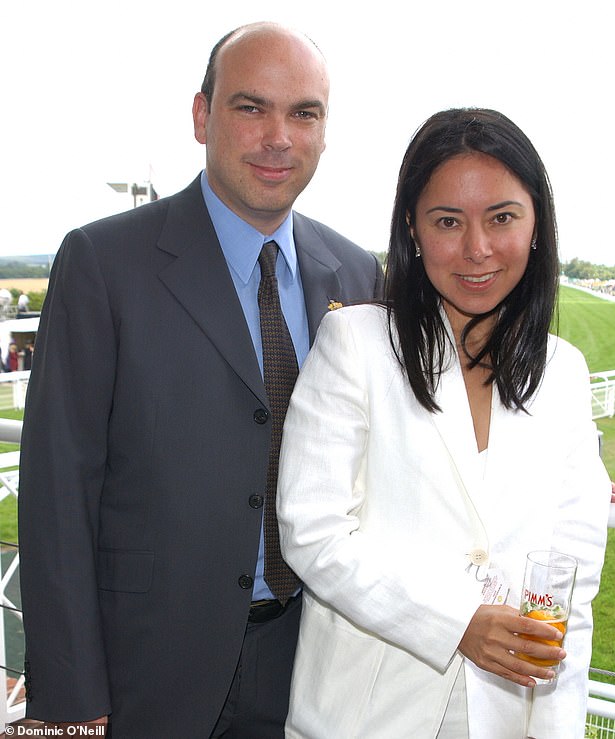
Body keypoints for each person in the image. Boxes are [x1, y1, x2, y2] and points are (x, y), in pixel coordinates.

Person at [18, 22, 383, 738]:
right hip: (146, 673)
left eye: (304, 113)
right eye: (251, 107)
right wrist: (68, 700)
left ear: (324, 130)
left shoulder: (354, 273)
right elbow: (58, 491)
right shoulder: (103, 263)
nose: (279, 135)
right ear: (200, 115)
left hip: (312, 662)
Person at [277, 108, 610, 738]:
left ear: (536, 223)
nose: (477, 249)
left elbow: (572, 586)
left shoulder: (564, 373)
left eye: (502, 218)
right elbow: (314, 530)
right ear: (413, 228)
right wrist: (457, 621)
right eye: (448, 222)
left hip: (510, 718)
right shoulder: (357, 343)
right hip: (366, 717)